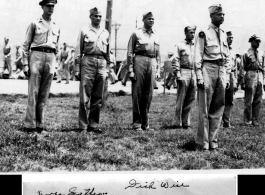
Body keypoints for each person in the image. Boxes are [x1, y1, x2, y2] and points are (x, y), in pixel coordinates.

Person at [195, 4, 231, 151]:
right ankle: (203, 143)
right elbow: (197, 54)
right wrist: (199, 76)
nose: (222, 17)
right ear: (211, 16)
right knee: (204, 107)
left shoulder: (223, 33)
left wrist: (227, 76)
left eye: (223, 15)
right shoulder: (204, 32)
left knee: (218, 107)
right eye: (218, 15)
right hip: (207, 68)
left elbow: (227, 56)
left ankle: (213, 141)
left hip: (221, 69)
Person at [22, 0, 60, 133]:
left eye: (53, 6)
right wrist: (26, 65)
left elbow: (57, 48)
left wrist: (55, 66)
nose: (51, 8)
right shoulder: (34, 23)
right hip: (36, 55)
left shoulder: (56, 25)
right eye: (48, 6)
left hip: (50, 57)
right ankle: (29, 125)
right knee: (34, 92)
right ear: (42, 7)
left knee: (44, 94)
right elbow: (25, 45)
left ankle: (40, 125)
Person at [75, 7, 109, 133]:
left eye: (100, 16)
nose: (98, 18)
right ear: (91, 17)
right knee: (85, 96)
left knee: (98, 96)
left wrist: (108, 68)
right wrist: (77, 69)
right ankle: (83, 125)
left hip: (101, 63)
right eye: (95, 16)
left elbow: (108, 53)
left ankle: (93, 125)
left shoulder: (105, 32)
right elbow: (78, 50)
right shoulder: (84, 31)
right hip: (88, 61)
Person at [127, 12, 160, 131]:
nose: (151, 21)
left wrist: (158, 70)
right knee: (138, 93)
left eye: (153, 19)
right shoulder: (136, 33)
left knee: (148, 94)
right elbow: (130, 52)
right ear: (144, 20)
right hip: (139, 60)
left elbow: (158, 54)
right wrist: (130, 69)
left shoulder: (156, 35)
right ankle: (137, 123)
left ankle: (146, 124)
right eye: (149, 18)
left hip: (152, 62)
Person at [172, 25, 197, 129]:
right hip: (184, 71)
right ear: (185, 33)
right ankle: (177, 122)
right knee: (181, 98)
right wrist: (177, 74)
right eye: (190, 32)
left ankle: (186, 122)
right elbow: (175, 59)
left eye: (193, 32)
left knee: (191, 98)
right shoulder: (180, 45)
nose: (192, 34)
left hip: (193, 72)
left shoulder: (197, 46)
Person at [240, 35, 265, 126]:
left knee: (258, 99)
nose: (258, 43)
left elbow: (264, 67)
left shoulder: (261, 53)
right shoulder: (246, 53)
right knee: (249, 100)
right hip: (250, 74)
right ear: (251, 41)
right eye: (256, 41)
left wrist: (264, 80)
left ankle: (255, 120)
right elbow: (242, 68)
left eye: (259, 41)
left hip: (260, 75)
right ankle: (247, 121)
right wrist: (242, 82)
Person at [222, 31, 237, 128]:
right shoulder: (221, 49)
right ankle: (217, 121)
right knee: (219, 99)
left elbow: (235, 67)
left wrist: (235, 79)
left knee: (229, 100)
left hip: (231, 74)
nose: (230, 39)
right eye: (229, 37)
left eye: (232, 38)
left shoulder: (233, 51)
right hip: (222, 73)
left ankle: (226, 122)